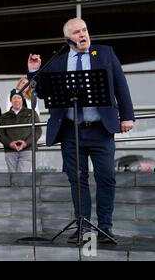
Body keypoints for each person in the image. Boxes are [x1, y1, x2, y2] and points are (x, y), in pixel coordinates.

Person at [28, 18, 135, 243]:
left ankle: (105, 227)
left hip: (100, 130)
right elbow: (44, 92)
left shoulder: (105, 53)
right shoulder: (57, 62)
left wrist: (127, 116)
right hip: (70, 131)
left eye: (85, 30)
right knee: (77, 180)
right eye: (77, 32)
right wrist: (34, 71)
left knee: (106, 178)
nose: (83, 35)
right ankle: (83, 226)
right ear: (68, 39)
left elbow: (120, 84)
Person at [0, 90, 41, 172]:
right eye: (14, 98)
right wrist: (10, 144)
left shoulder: (31, 113)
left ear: (22, 100)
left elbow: (37, 131)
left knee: (22, 177)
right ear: (11, 101)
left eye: (19, 97)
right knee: (12, 178)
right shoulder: (4, 116)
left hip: (27, 150)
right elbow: (1, 135)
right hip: (10, 151)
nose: (16, 100)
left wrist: (26, 143)